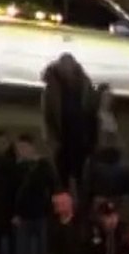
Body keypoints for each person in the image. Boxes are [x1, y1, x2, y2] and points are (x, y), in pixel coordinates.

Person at [41, 53, 96, 189]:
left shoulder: (84, 84)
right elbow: (48, 115)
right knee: (62, 176)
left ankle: (80, 203)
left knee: (82, 175)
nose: (68, 71)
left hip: (81, 138)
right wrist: (51, 139)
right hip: (62, 139)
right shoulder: (52, 88)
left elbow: (91, 110)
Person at [13, 134, 57, 254]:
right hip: (23, 218)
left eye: (23, 148)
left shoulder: (44, 166)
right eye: (19, 149)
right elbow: (12, 193)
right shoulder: (18, 168)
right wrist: (14, 213)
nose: (21, 151)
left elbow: (53, 188)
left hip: (41, 217)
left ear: (31, 147)